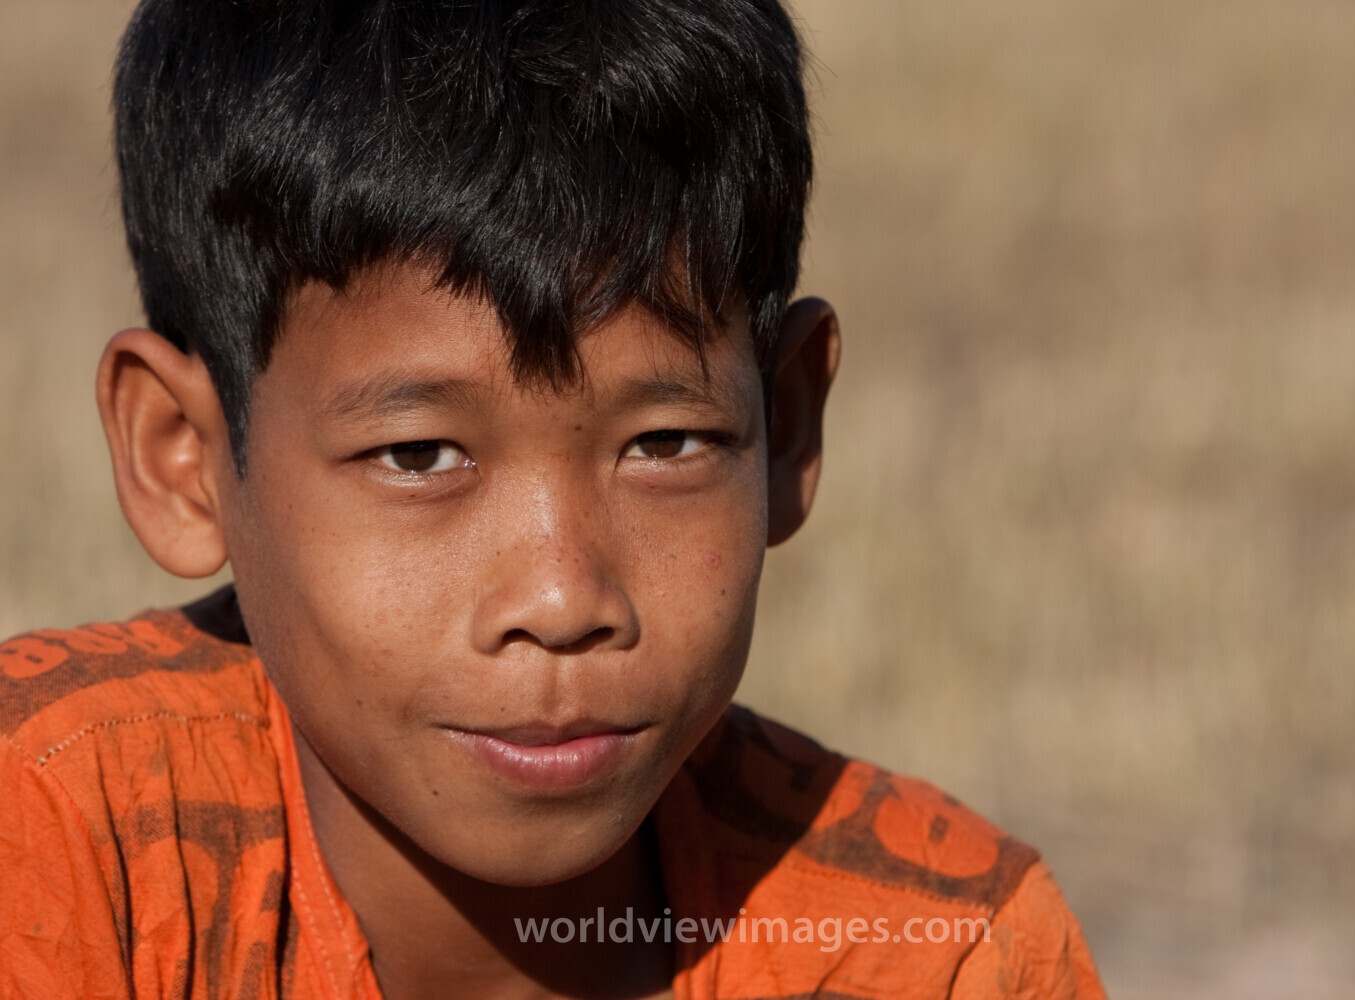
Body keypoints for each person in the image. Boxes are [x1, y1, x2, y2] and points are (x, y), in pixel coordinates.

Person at [0, 2, 1106, 997]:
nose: (563, 596)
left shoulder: (935, 957)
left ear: (786, 424)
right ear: (181, 455)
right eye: (422, 455)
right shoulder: (54, 845)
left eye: (665, 441)